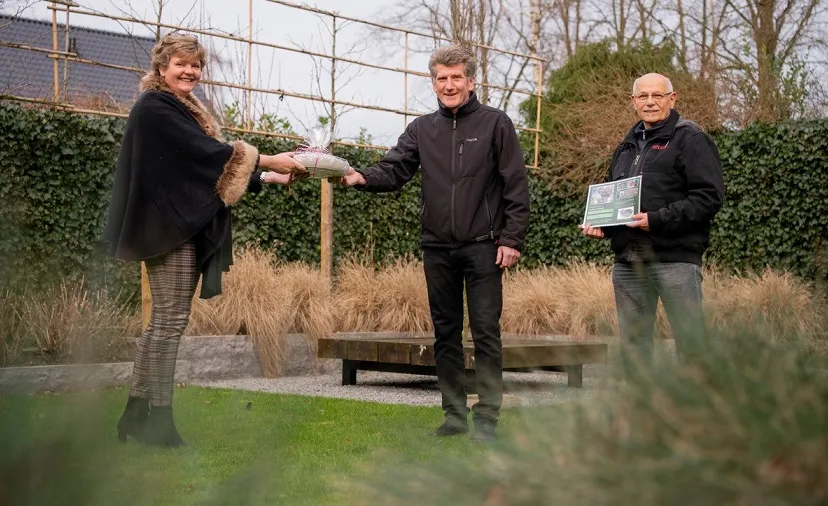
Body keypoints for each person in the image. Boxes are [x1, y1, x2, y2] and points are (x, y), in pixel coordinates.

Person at [104, 32, 306, 447]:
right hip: (167, 227)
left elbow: (205, 165)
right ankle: (157, 421)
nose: (190, 71)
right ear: (162, 68)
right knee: (169, 322)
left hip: (177, 225)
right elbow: (207, 154)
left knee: (164, 323)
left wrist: (269, 176)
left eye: (195, 65)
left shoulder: (181, 107)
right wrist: (267, 158)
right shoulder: (155, 106)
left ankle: (135, 415)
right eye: (181, 63)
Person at [340, 44, 530, 442]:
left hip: (484, 247)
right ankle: (454, 416)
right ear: (434, 83)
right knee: (445, 333)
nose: (449, 84)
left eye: (456, 77)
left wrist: (511, 238)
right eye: (441, 78)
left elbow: (515, 184)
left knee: (485, 332)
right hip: (438, 248)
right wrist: (361, 177)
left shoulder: (496, 124)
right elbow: (394, 169)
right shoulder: (422, 129)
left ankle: (488, 420)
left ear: (471, 81)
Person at [579, 73, 725, 372]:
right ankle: (639, 414)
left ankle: (697, 415)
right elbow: (620, 203)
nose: (650, 102)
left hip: (675, 261)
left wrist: (655, 221)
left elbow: (708, 198)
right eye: (643, 96)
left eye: (657, 95)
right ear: (633, 102)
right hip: (629, 263)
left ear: (673, 99)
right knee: (634, 351)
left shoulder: (691, 138)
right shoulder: (626, 147)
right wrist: (603, 225)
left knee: (691, 346)